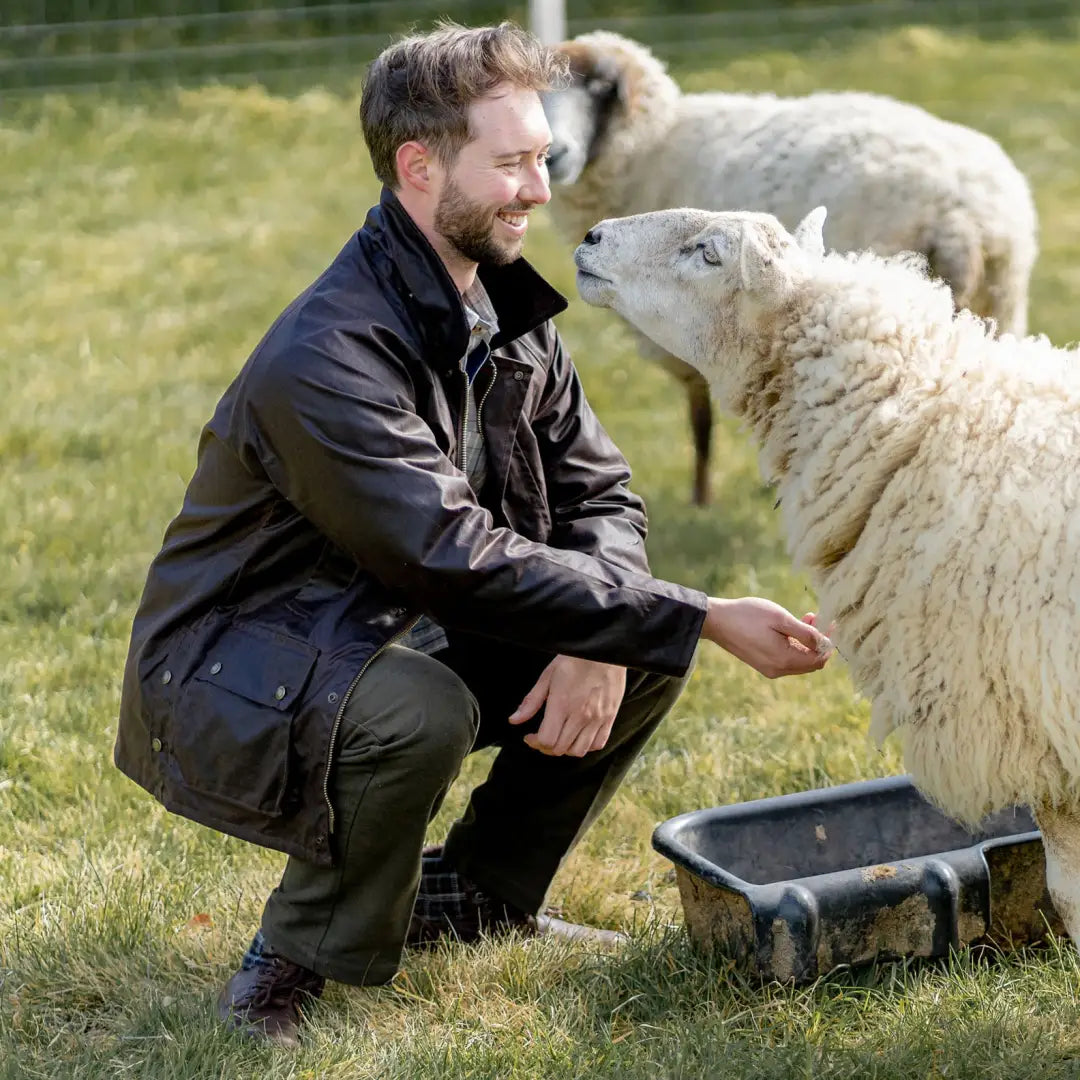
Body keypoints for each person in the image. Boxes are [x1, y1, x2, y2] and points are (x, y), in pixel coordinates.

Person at [114, 21, 832, 1049]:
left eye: (542, 157)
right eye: (511, 164)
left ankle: (481, 898)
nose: (541, 189)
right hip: (237, 659)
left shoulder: (506, 303)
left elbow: (604, 496)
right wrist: (704, 615)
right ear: (418, 167)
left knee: (634, 639)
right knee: (421, 709)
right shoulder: (327, 355)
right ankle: (292, 958)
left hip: (387, 618)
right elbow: (445, 555)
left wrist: (607, 632)